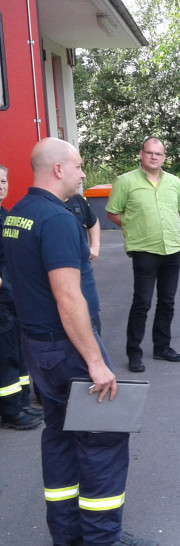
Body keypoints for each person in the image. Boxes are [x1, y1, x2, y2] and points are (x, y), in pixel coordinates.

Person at [3, 138, 157, 545]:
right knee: (102, 439)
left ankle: (68, 535)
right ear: (57, 169)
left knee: (60, 435)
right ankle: (103, 539)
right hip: (67, 349)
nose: (84, 174)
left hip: (38, 348)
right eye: (79, 166)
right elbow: (67, 296)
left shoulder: (17, 214)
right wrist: (96, 361)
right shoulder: (56, 220)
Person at [106, 137, 180, 373]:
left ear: (164, 157)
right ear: (141, 154)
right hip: (144, 249)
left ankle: (162, 347)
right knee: (141, 302)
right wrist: (134, 225)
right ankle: (134, 352)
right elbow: (113, 213)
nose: (154, 157)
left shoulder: (174, 182)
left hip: (172, 248)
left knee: (167, 301)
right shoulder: (126, 181)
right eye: (150, 152)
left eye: (159, 154)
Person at [0, 164, 43, 430]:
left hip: (12, 299)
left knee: (17, 352)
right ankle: (11, 411)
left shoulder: (4, 213)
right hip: (2, 298)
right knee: (5, 358)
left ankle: (22, 403)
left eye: (3, 180)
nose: (1, 185)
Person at [65, 192, 100, 261]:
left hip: (82, 261)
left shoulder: (77, 199)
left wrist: (95, 246)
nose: (82, 180)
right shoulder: (45, 203)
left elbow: (93, 221)